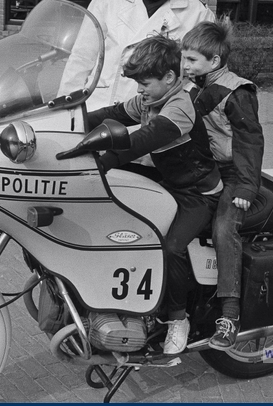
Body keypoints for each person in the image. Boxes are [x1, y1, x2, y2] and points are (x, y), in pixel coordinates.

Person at [87, 35, 222, 355]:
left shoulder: (180, 106)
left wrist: (102, 159)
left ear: (170, 78)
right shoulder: (150, 100)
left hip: (198, 193)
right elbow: (115, 113)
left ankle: (178, 320)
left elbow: (143, 140)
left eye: (144, 83)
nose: (139, 91)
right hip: (168, 181)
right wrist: (68, 121)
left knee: (171, 247)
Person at [61, 0, 216, 111]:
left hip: (152, 120)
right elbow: (81, 58)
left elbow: (198, 80)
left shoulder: (198, 14)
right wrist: (65, 109)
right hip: (96, 108)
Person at [180, 19, 264, 351]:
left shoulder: (236, 92)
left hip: (233, 174)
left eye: (191, 59)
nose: (185, 65)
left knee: (224, 228)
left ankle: (230, 315)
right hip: (205, 169)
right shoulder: (194, 86)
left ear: (214, 61)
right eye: (184, 57)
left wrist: (245, 187)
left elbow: (250, 142)